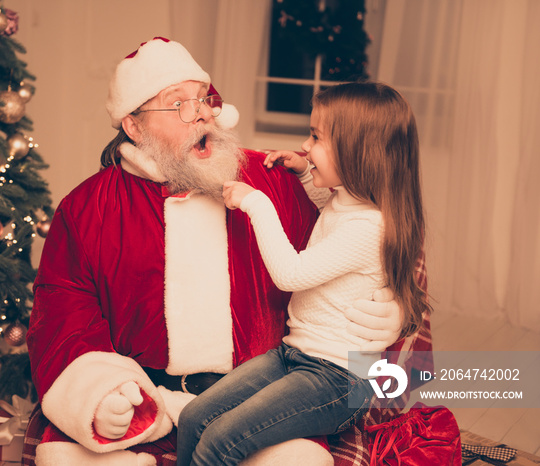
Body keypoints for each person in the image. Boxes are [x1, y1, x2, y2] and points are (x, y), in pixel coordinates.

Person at [24, 38, 406, 466]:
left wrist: (394, 310)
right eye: (180, 104)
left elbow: (363, 237)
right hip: (142, 395)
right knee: (62, 458)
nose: (203, 112)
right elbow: (63, 309)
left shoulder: (270, 178)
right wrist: (102, 389)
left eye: (204, 99)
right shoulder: (87, 209)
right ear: (134, 126)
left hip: (261, 393)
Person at [175, 82, 431, 466]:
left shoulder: (371, 227)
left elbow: (290, 274)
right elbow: (330, 207)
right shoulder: (348, 198)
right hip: (294, 355)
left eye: (316, 138)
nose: (305, 147)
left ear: (357, 153)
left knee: (221, 441)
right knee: (194, 418)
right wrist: (306, 174)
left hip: (339, 380)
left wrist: (256, 202)